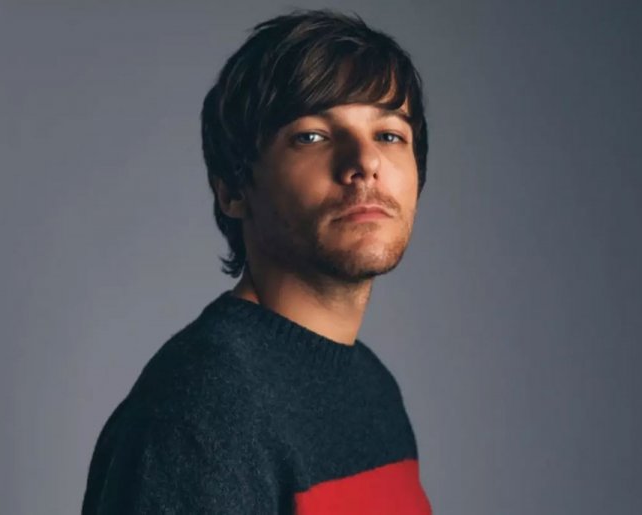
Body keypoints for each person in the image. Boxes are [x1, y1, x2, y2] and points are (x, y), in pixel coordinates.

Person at [82, 9, 432, 514]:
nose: (365, 162)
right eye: (312, 136)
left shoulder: (375, 389)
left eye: (390, 134)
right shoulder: (202, 407)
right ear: (233, 190)